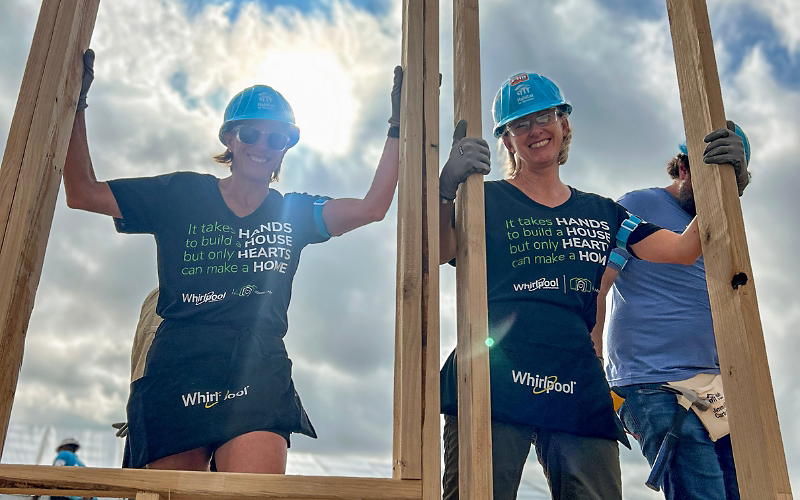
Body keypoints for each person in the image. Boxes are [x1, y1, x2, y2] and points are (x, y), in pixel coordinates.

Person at [63, 49, 402, 473]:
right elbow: (82, 193)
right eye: (250, 134)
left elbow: (372, 208)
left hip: (256, 366)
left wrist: (398, 128)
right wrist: (74, 106)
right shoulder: (182, 195)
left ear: (285, 149)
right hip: (179, 364)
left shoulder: (294, 213)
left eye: (275, 138)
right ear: (229, 138)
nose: (262, 145)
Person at [437, 71, 732, 500]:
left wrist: (720, 182)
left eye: (545, 117)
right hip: (493, 368)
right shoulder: (485, 199)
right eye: (520, 124)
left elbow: (685, 249)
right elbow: (442, 250)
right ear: (506, 141)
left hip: (576, 377)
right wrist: (447, 191)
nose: (535, 130)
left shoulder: (604, 212)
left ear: (565, 124)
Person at [596, 124, 750, 500]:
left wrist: (735, 184)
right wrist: (593, 368)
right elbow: (597, 285)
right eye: (707, 182)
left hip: (715, 387)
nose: (714, 196)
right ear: (683, 169)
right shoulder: (638, 205)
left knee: (744, 489)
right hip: (653, 383)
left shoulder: (720, 224)